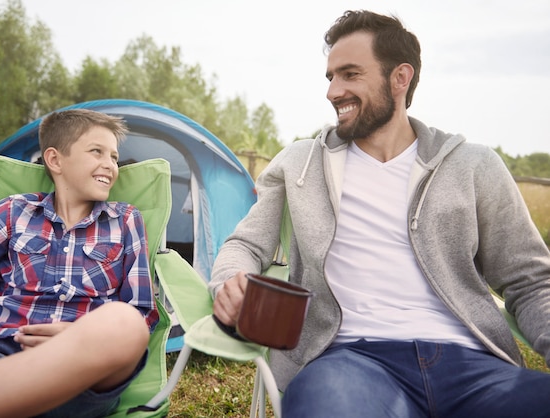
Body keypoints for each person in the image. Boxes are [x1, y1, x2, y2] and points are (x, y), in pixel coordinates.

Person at [210, 9, 550, 418]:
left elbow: (530, 280)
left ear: (400, 78)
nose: (333, 91)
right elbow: (245, 243)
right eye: (331, 77)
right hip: (350, 363)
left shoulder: (473, 166)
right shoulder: (300, 163)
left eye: (350, 74)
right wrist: (231, 281)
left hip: (473, 365)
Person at [0, 109, 159, 418]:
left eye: (114, 157)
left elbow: (141, 309)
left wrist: (81, 339)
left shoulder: (125, 219)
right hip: (2, 351)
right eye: (96, 152)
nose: (110, 165)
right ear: (55, 160)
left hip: (83, 371)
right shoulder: (16, 211)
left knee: (126, 323)